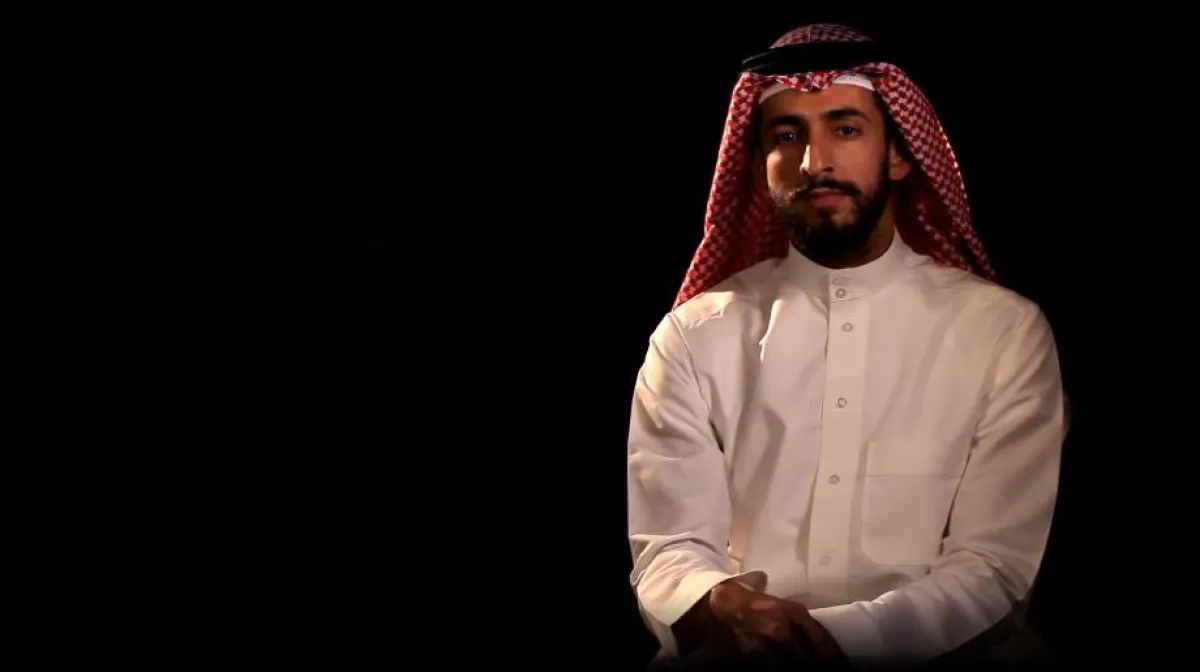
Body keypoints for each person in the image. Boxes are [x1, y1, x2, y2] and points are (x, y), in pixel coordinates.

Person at [626, 23, 1067, 669]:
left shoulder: (1003, 333)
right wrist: (715, 601)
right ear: (758, 166)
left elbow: (994, 565)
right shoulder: (694, 336)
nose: (815, 162)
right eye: (787, 136)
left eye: (846, 128)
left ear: (899, 154)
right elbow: (670, 548)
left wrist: (832, 643)